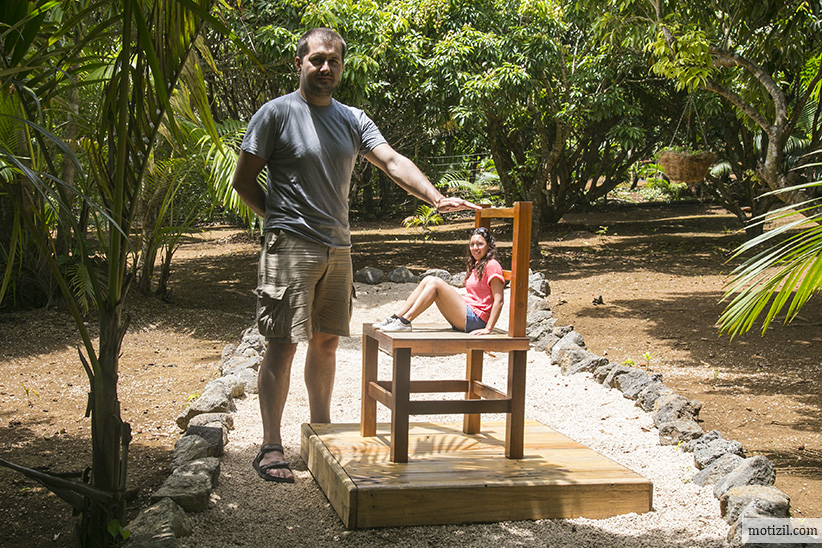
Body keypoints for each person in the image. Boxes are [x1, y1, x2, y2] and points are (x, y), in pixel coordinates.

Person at [231, 27, 479, 483]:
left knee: (326, 341)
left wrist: (435, 197)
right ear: (300, 62)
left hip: (339, 247)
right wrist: (279, 220)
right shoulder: (275, 114)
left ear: (342, 68)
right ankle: (270, 445)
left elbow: (392, 161)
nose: (326, 68)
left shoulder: (352, 118)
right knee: (282, 344)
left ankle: (319, 434)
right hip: (290, 246)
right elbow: (243, 181)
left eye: (334, 62)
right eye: (317, 60)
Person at [374, 227, 504, 335]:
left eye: (480, 244)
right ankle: (395, 318)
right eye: (472, 244)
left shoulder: (492, 265)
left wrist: (488, 329)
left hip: (476, 320)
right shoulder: (477, 264)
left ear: (489, 246)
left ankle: (405, 322)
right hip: (467, 314)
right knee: (428, 279)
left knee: (435, 283)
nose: (475, 248)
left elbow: (499, 300)